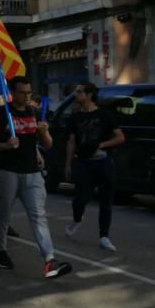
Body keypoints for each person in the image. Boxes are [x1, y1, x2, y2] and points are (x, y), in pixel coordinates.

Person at [0, 76, 72, 278]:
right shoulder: (1, 114)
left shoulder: (33, 112)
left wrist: (44, 133)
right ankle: (0, 250)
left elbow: (47, 144)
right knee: (4, 213)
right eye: (22, 92)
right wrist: (6, 145)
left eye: (29, 92)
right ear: (12, 93)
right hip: (6, 171)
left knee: (38, 215)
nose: (26, 96)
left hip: (32, 172)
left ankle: (50, 260)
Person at [64, 82, 125, 251]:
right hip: (84, 163)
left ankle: (104, 237)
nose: (76, 94)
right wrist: (68, 164)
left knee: (106, 201)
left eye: (79, 91)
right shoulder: (75, 117)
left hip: (103, 162)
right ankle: (77, 219)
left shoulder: (105, 115)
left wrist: (102, 145)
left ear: (89, 95)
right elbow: (71, 141)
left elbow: (120, 137)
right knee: (79, 199)